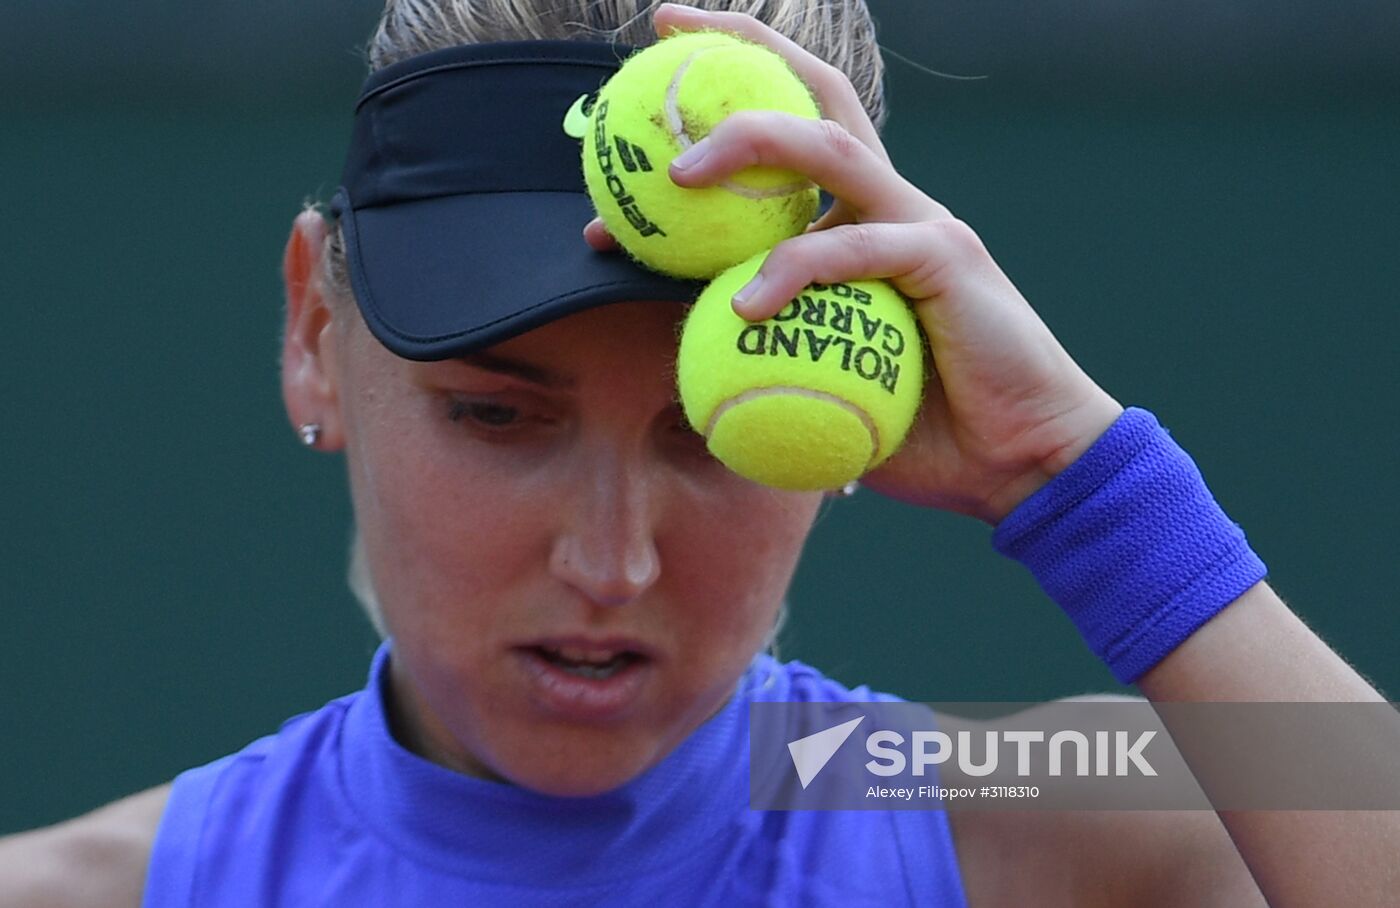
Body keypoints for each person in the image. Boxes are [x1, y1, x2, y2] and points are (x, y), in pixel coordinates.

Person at [2, 1, 1394, 905]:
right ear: (316, 329)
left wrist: (1076, 483)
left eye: (712, 439)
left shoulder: (1012, 818)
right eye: (499, 414)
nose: (611, 563)